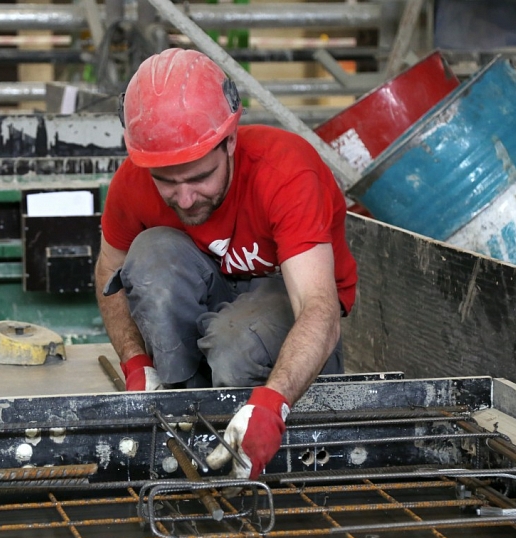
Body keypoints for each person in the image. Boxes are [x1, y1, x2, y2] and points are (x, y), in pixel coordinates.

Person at [94, 48, 358, 485]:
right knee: (149, 258)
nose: (184, 198)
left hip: (285, 300)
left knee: (234, 346)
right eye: (167, 182)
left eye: (200, 178)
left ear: (230, 141)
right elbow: (109, 271)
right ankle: (187, 411)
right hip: (216, 305)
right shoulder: (134, 181)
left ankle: (251, 422)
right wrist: (136, 362)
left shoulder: (286, 171)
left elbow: (319, 308)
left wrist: (274, 403)